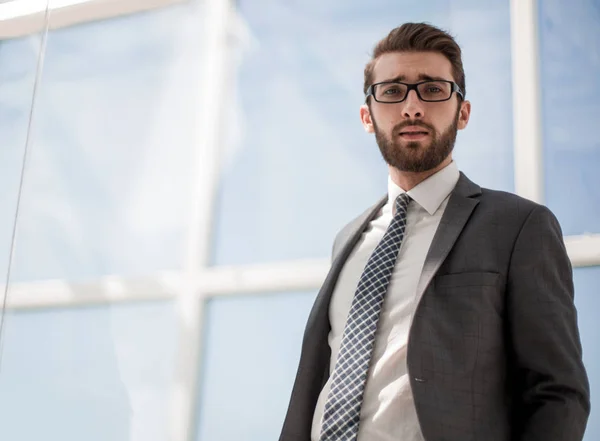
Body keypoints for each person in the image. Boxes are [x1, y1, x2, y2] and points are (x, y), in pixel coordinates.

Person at [278, 22, 590, 441]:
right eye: (391, 91)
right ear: (367, 117)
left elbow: (558, 393)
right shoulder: (349, 239)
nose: (411, 107)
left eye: (432, 89)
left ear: (463, 111)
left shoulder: (518, 227)